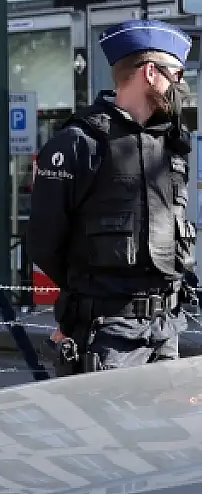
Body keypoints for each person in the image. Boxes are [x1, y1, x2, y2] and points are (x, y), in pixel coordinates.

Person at [29, 19, 196, 376]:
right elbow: (44, 243)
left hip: (166, 330)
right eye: (176, 76)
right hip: (107, 333)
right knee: (105, 432)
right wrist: (89, 297)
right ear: (150, 73)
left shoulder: (171, 146)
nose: (181, 87)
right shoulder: (79, 143)